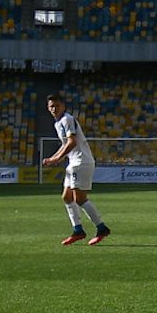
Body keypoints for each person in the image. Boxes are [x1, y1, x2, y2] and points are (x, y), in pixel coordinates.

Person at [41, 93, 111, 247]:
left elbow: (72, 142)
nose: (54, 109)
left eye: (57, 106)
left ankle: (102, 228)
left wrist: (56, 159)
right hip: (73, 162)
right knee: (66, 197)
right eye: (51, 106)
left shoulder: (67, 119)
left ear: (63, 106)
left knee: (79, 198)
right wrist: (53, 157)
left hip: (81, 162)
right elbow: (65, 144)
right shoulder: (58, 123)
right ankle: (78, 230)